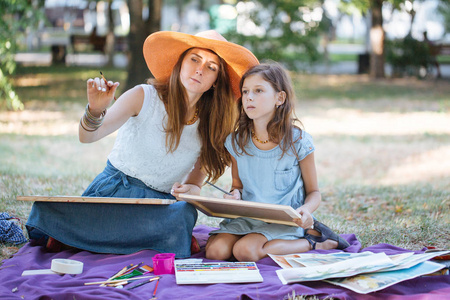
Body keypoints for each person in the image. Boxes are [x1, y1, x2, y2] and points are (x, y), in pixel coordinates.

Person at [26, 30, 259, 258]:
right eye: (194, 59)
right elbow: (87, 137)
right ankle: (134, 239)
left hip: (159, 206)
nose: (200, 69)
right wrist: (95, 110)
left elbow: (194, 184)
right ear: (180, 63)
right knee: (45, 210)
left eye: (211, 67)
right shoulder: (143, 96)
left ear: (216, 81)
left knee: (184, 213)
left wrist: (192, 189)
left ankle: (82, 237)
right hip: (116, 193)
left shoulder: (213, 123)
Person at [205, 63, 350, 262]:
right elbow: (237, 185)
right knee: (215, 252)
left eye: (258, 91)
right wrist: (234, 195)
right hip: (247, 218)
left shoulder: (298, 142)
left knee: (244, 251)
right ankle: (256, 240)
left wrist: (306, 210)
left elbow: (314, 193)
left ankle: (315, 241)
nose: (249, 97)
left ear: (279, 98)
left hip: (284, 221)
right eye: (245, 91)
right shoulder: (235, 142)